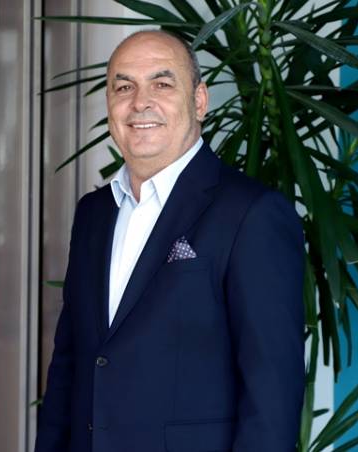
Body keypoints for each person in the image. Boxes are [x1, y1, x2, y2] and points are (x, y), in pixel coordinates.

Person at [35, 30, 305, 452]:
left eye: (161, 84)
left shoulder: (253, 213)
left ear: (199, 101)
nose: (140, 102)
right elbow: (69, 367)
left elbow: (272, 396)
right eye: (124, 87)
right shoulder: (93, 214)